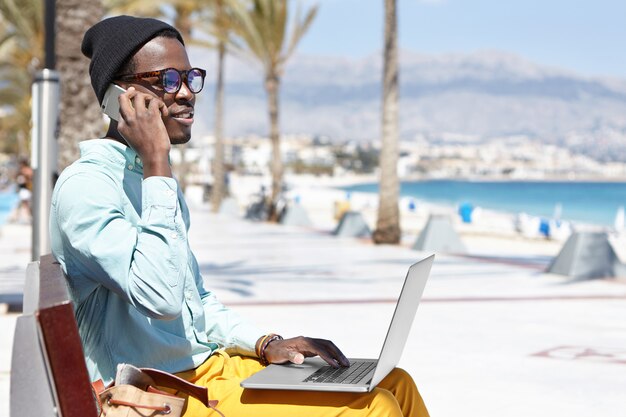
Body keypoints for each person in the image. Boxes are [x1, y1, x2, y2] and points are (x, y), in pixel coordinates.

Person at [49, 15, 429, 417]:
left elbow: (195, 304)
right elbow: (160, 297)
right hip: (158, 393)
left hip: (205, 370)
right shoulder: (88, 187)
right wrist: (157, 158)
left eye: (190, 78)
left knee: (395, 382)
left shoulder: (149, 179)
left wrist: (266, 342)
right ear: (118, 96)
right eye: (168, 80)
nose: (187, 94)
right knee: (375, 407)